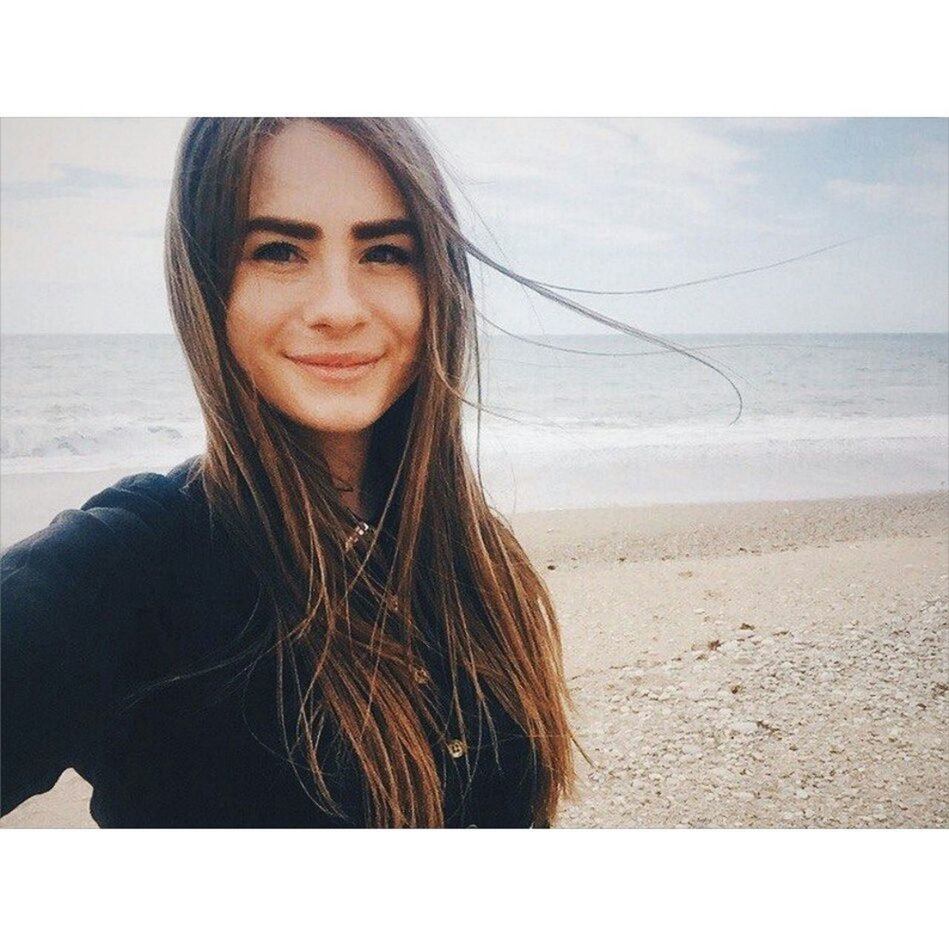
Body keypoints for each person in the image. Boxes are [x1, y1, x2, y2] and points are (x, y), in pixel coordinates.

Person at [1, 118, 588, 828]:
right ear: (208, 282)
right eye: (279, 249)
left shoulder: (475, 553)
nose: (338, 308)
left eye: (384, 252)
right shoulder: (129, 569)